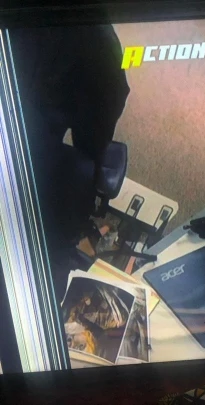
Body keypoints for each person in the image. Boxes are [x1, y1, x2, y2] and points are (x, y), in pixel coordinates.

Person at [9, 25, 130, 298]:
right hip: (29, 160)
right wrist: (89, 152)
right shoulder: (91, 29)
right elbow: (105, 105)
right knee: (77, 174)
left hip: (24, 137)